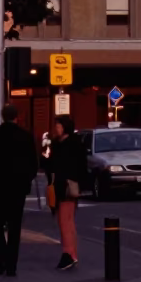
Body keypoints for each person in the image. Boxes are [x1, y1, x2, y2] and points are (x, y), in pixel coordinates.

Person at [0, 103, 38, 277]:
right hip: (17, 188)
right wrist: (26, 179)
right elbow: (33, 163)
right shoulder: (25, 136)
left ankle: (1, 258)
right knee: (14, 226)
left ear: (3, 116)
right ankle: (12, 264)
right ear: (16, 116)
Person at [46, 116, 86, 271]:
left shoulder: (71, 144)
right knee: (67, 221)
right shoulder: (61, 143)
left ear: (65, 127)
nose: (56, 128)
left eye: (59, 125)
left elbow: (79, 166)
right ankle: (72, 253)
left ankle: (68, 254)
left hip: (67, 185)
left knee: (65, 221)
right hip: (62, 185)